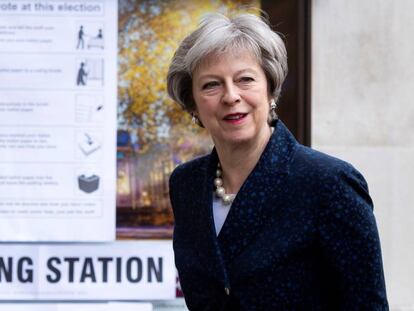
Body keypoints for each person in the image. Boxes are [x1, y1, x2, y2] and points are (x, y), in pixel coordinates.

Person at [167, 12, 388, 310]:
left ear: (270, 89)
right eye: (211, 85)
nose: (231, 96)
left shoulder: (328, 183)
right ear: (192, 103)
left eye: (245, 79)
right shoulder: (187, 185)